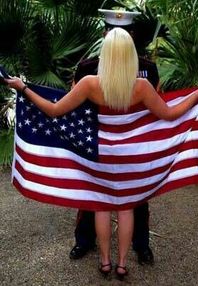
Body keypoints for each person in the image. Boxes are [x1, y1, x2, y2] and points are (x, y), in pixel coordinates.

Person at [6, 27, 198, 280]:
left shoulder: (89, 83)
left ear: (105, 54)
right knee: (127, 208)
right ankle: (121, 265)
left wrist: (23, 88)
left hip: (101, 156)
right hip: (132, 158)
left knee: (102, 207)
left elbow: (54, 112)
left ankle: (105, 262)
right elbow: (171, 114)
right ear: (130, 55)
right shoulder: (141, 86)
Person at [70, 8, 160, 266]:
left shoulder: (147, 69)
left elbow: (157, 106)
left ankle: (141, 245)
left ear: (132, 36)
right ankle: (84, 241)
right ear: (105, 33)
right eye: (112, 30)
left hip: (134, 145)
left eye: (124, 32)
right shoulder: (87, 67)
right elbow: (75, 106)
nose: (118, 35)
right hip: (97, 145)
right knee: (91, 197)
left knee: (138, 198)